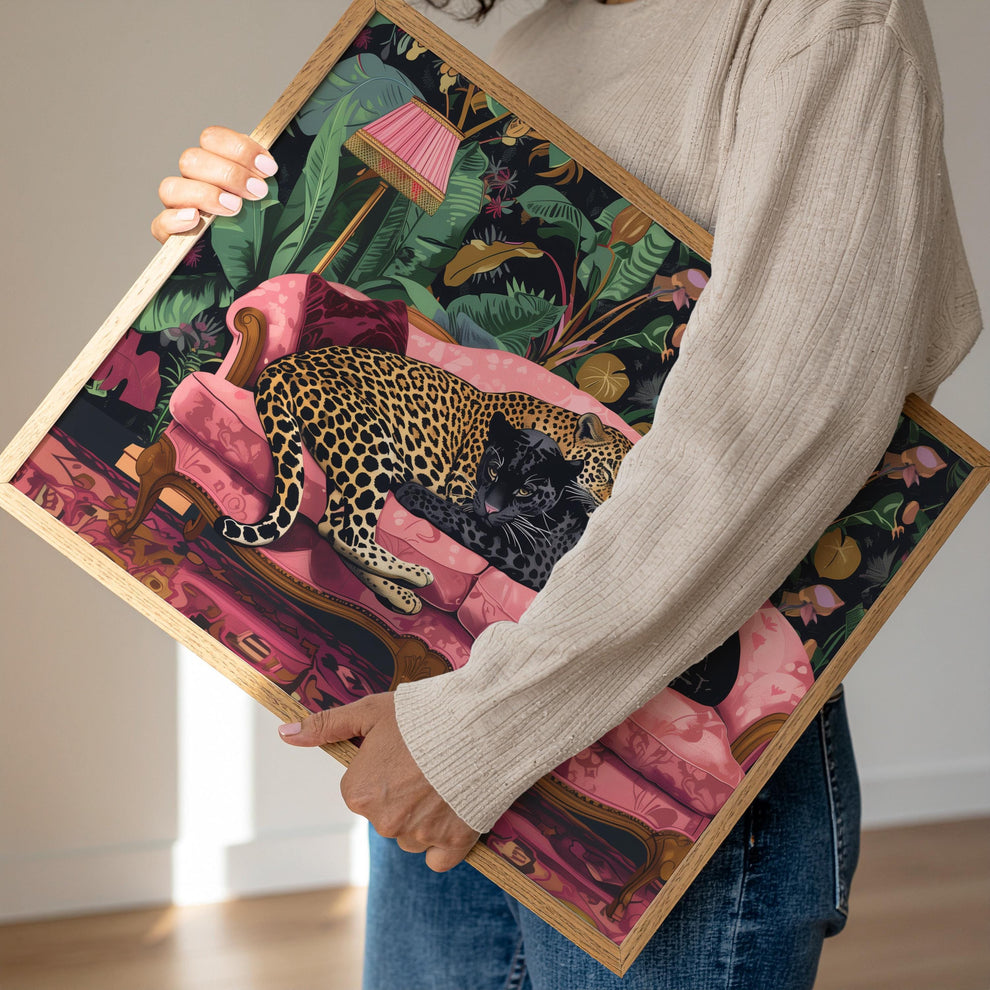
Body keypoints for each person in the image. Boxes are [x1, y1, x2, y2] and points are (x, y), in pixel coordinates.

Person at [152, 0, 981, 985]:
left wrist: (479, 733)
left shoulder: (824, 21)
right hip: (452, 707)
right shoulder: (536, 32)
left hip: (605, 746)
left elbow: (779, 422)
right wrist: (240, 227)